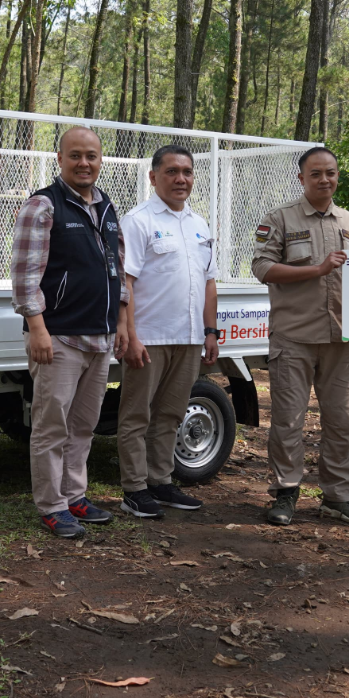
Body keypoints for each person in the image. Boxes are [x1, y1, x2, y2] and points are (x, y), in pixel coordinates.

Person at [11, 126, 131, 539]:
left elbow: (117, 269)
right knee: (52, 426)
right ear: (60, 158)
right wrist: (37, 328)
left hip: (99, 338)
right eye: (76, 155)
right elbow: (25, 276)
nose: (85, 163)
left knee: (83, 425)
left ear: (101, 161)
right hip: (59, 337)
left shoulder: (108, 207)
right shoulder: (43, 206)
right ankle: (52, 505)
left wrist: (120, 321)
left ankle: (74, 494)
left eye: (92, 156)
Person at [252, 146, 349, 527]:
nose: (324, 180)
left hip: (340, 340)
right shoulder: (280, 218)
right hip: (295, 337)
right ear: (301, 178)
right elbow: (262, 267)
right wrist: (316, 270)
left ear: (338, 176)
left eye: (331, 173)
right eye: (316, 173)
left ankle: (337, 497)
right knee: (288, 420)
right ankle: (285, 493)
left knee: (341, 421)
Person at [116, 145, 219, 519]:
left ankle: (159, 481)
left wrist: (210, 332)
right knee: (136, 415)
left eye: (187, 172)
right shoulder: (138, 220)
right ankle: (134, 489)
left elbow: (209, 283)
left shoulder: (199, 224)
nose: (181, 179)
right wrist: (130, 334)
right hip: (149, 338)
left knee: (171, 414)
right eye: (172, 171)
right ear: (153, 176)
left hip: (189, 338)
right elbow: (124, 281)